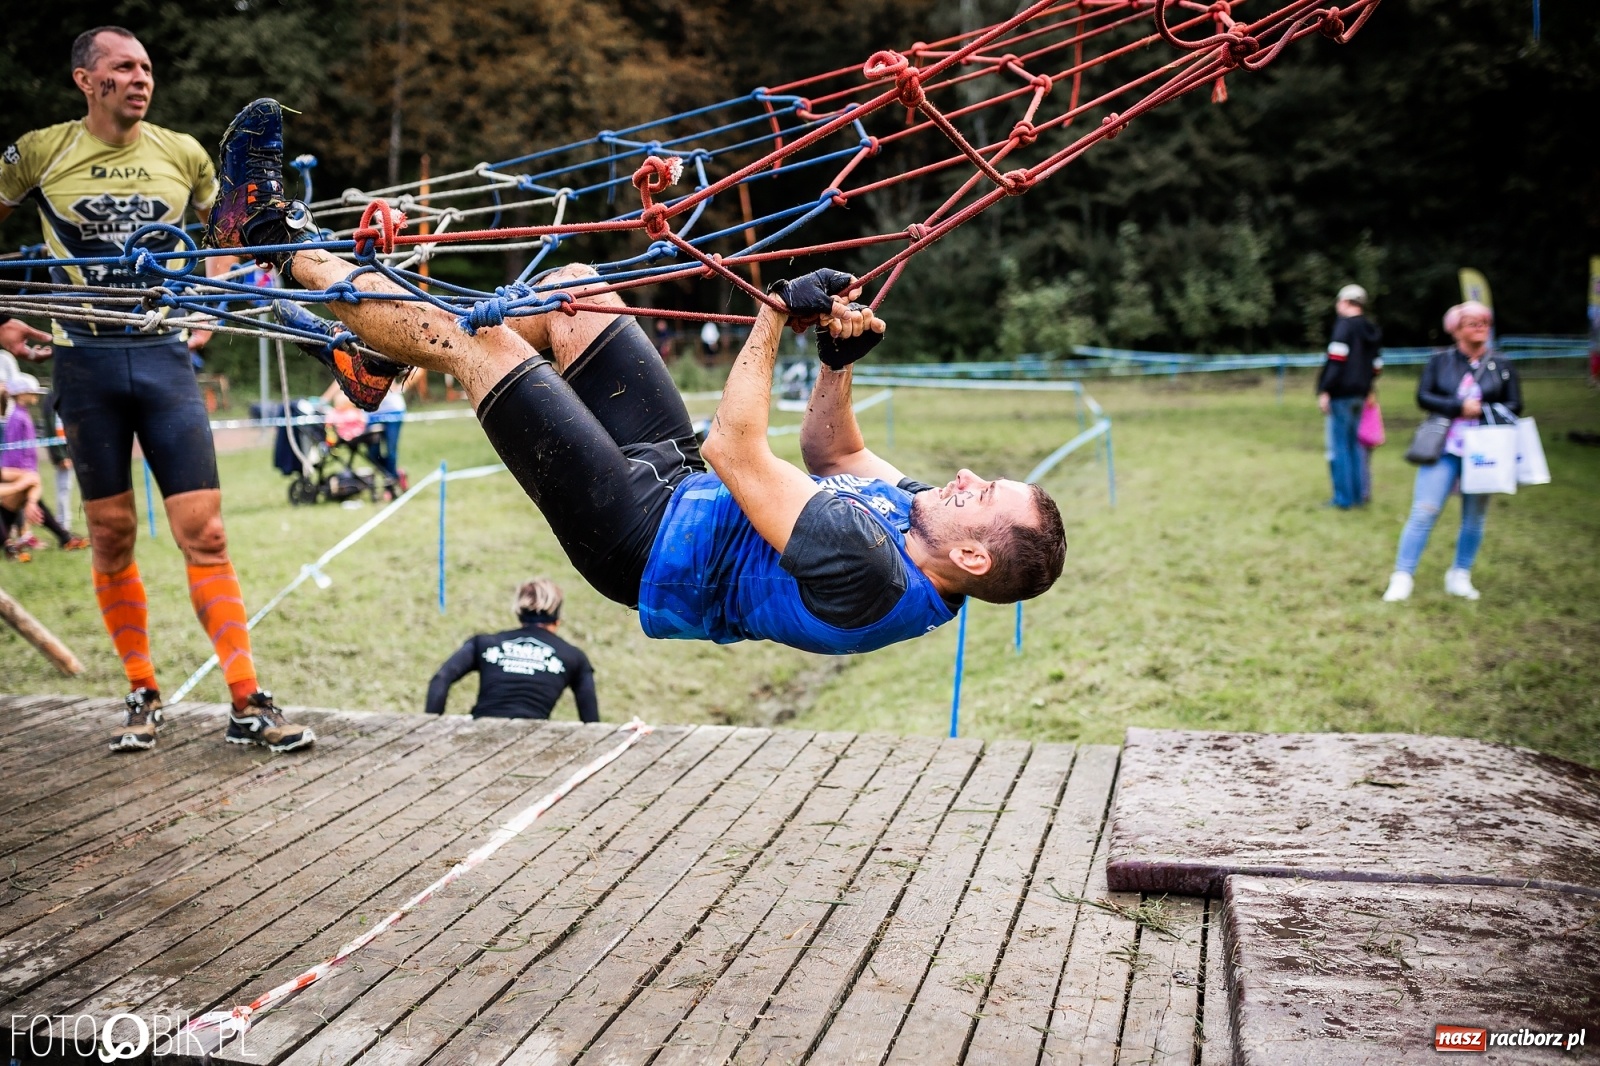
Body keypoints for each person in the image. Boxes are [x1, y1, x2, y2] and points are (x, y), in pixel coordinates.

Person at [211, 99, 1066, 656]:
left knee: (483, 347)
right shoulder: (920, 525)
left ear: (970, 557)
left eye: (980, 491)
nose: (964, 476)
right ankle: (373, 358)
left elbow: (738, 449)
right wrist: (836, 362)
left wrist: (775, 316)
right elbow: (834, 453)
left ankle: (277, 239)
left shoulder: (873, 567)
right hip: (679, 485)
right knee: (576, 293)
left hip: (640, 541)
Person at [0, 29, 312, 752]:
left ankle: (246, 701)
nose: (141, 79)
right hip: (84, 365)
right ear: (87, 80)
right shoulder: (40, 152)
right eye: (123, 68)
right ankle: (142, 690)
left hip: (166, 361)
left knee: (206, 533)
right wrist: (5, 322)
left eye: (146, 68)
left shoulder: (183, 153)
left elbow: (229, 242)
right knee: (109, 534)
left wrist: (214, 299)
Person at [1382, 301, 1520, 603]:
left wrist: (1481, 410)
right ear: (1456, 329)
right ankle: (1402, 576)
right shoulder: (1441, 360)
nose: (1480, 327)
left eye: (1484, 321)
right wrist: (1458, 407)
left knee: (1474, 517)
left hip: (1486, 450)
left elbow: (1515, 406)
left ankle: (1460, 574)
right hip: (1444, 446)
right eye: (1472, 322)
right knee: (1424, 511)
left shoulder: (1503, 364)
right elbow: (1424, 396)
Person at [425, 578, 598, 721]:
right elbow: (591, 721)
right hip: (531, 740)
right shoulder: (574, 657)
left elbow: (441, 678)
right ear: (557, 620)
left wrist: (431, 727)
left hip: (479, 734)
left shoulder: (484, 643)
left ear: (519, 613)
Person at [2, 373, 89, 553]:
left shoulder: (21, 415)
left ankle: (63, 537)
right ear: (20, 394)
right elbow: (15, 450)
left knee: (31, 506)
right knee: (32, 506)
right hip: (19, 472)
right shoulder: (17, 418)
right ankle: (64, 538)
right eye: (31, 392)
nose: (35, 395)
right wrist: (22, 476)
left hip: (24, 473)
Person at [1316, 284, 1382, 509]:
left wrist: (1325, 389)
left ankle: (1343, 499)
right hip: (1362, 395)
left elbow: (1336, 361)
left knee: (1340, 447)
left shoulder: (1343, 327)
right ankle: (1359, 497)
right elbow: (1376, 366)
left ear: (1344, 302)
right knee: (1356, 446)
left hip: (1341, 395)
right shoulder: (1371, 330)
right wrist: (1369, 387)